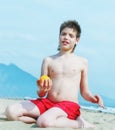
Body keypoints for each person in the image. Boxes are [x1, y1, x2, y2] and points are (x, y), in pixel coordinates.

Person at [5, 20, 104, 128]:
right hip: (47, 103)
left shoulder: (82, 62)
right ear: (59, 36)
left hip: (68, 105)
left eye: (71, 35)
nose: (66, 37)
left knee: (44, 122)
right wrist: (42, 90)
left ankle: (81, 123)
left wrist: (92, 98)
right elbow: (41, 93)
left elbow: (84, 91)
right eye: (63, 34)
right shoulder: (48, 60)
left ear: (77, 40)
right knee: (11, 112)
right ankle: (43, 118)